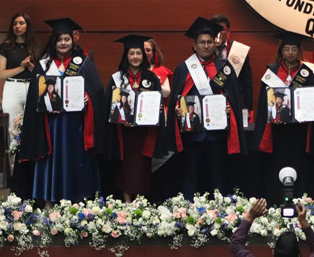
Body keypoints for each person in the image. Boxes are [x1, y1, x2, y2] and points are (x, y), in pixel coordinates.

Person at [19, 18, 103, 208]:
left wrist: (87, 99)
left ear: (73, 40)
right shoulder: (43, 64)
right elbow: (34, 96)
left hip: (75, 123)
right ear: (54, 42)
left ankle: (77, 198)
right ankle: (49, 198)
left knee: (75, 159)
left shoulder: (83, 62)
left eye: (67, 39)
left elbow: (96, 91)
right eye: (59, 40)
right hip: (51, 124)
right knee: (52, 160)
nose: (63, 43)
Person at [167, 17, 246, 199]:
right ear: (194, 45)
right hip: (192, 134)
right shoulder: (184, 68)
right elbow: (176, 99)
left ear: (215, 43)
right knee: (191, 176)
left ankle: (220, 208)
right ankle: (187, 209)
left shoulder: (224, 67)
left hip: (217, 134)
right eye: (202, 42)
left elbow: (234, 98)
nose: (206, 46)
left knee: (219, 176)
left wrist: (229, 109)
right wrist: (178, 110)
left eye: (209, 42)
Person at [253, 32, 314, 202]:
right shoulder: (271, 72)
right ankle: (277, 200)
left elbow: (313, 103)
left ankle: (299, 200)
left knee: (298, 164)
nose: (290, 53)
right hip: (277, 132)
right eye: (287, 49)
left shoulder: (307, 73)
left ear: (299, 51)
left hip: (298, 131)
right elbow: (264, 104)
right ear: (281, 51)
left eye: (294, 49)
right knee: (277, 165)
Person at [104, 34, 167, 203]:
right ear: (126, 56)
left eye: (139, 53)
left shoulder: (151, 78)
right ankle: (126, 201)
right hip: (123, 133)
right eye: (131, 53)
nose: (135, 57)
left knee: (142, 166)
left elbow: (157, 102)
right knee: (125, 166)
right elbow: (108, 105)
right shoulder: (117, 78)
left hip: (144, 132)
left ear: (144, 55)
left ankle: (140, 200)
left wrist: (158, 108)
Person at [0, 12, 42, 171]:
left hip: (32, 87)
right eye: (15, 23)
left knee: (33, 128)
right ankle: (14, 172)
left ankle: (32, 172)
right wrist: (21, 67)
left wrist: (30, 67)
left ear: (28, 26)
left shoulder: (35, 47)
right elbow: (1, 73)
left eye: (21, 23)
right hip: (13, 87)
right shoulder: (6, 46)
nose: (17, 26)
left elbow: (42, 74)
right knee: (12, 130)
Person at [211, 14, 253, 118]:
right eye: (215, 29)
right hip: (213, 101)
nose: (218, 33)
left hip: (236, 101)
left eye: (222, 29)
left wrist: (248, 108)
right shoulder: (207, 49)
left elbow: (247, 82)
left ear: (229, 31)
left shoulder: (239, 51)